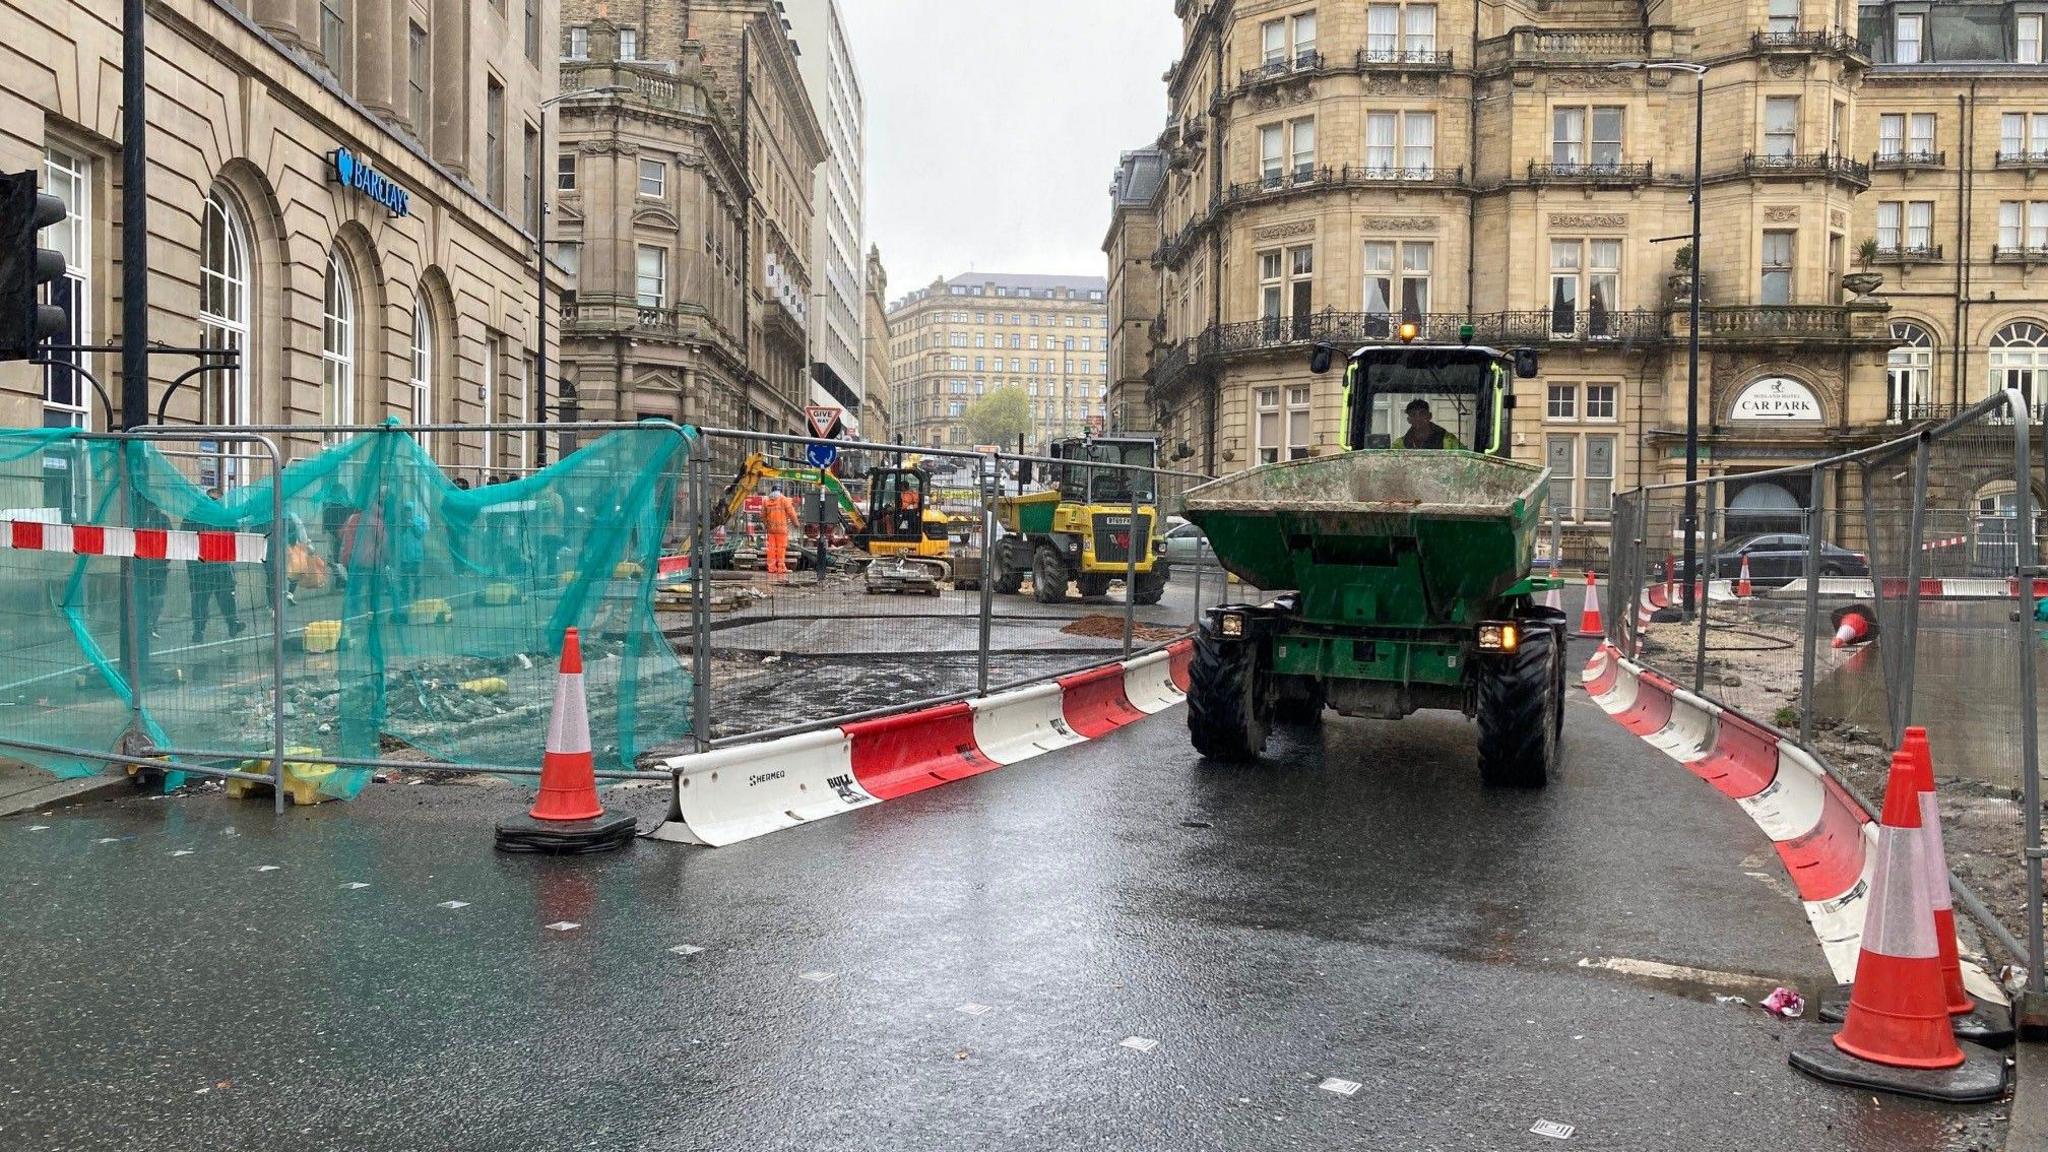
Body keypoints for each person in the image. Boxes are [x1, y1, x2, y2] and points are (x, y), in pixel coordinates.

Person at [187, 489, 245, 644]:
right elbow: (236, 532)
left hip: (202, 566)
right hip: (217, 566)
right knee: (224, 597)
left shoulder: (192, 515)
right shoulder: (222, 515)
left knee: (203, 599)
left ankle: (200, 631)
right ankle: (230, 625)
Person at [760, 484, 799, 577]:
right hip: (782, 529)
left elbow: (762, 516)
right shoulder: (784, 499)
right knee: (781, 548)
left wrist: (766, 525)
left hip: (771, 530)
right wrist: (796, 523)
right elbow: (791, 513)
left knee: (771, 549)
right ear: (780, 491)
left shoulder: (766, 501)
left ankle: (771, 568)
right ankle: (781, 568)